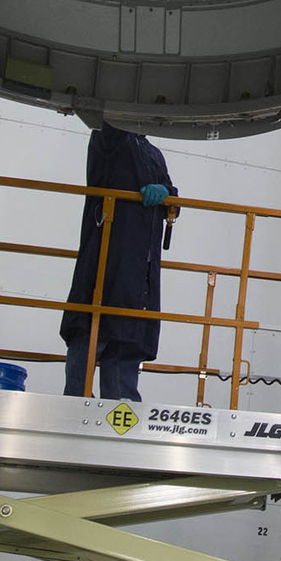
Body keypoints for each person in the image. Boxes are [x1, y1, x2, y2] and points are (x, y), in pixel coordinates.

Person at [63, 120, 176, 400]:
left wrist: (169, 196)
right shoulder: (108, 139)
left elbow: (170, 193)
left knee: (126, 341)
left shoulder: (152, 153)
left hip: (140, 268)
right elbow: (108, 126)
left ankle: (121, 412)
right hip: (106, 259)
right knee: (90, 334)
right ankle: (75, 406)